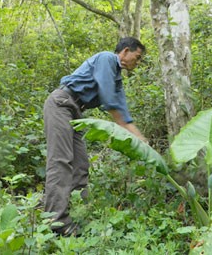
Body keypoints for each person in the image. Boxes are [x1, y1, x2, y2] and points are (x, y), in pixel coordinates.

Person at [43, 37, 147, 237]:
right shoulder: (107, 59)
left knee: (80, 166)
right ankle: (56, 222)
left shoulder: (117, 78)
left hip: (75, 112)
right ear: (125, 51)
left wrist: (142, 140)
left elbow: (123, 115)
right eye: (138, 57)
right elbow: (109, 99)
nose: (138, 62)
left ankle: (77, 213)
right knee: (61, 161)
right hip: (61, 104)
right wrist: (125, 126)